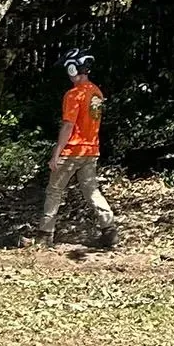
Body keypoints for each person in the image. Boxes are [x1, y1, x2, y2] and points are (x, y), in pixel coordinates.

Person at [38, 51, 118, 247]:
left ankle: (44, 236)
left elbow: (68, 125)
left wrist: (56, 153)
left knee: (54, 191)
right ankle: (109, 229)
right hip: (90, 151)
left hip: (72, 151)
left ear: (73, 69)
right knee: (92, 191)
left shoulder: (73, 94)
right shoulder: (96, 93)